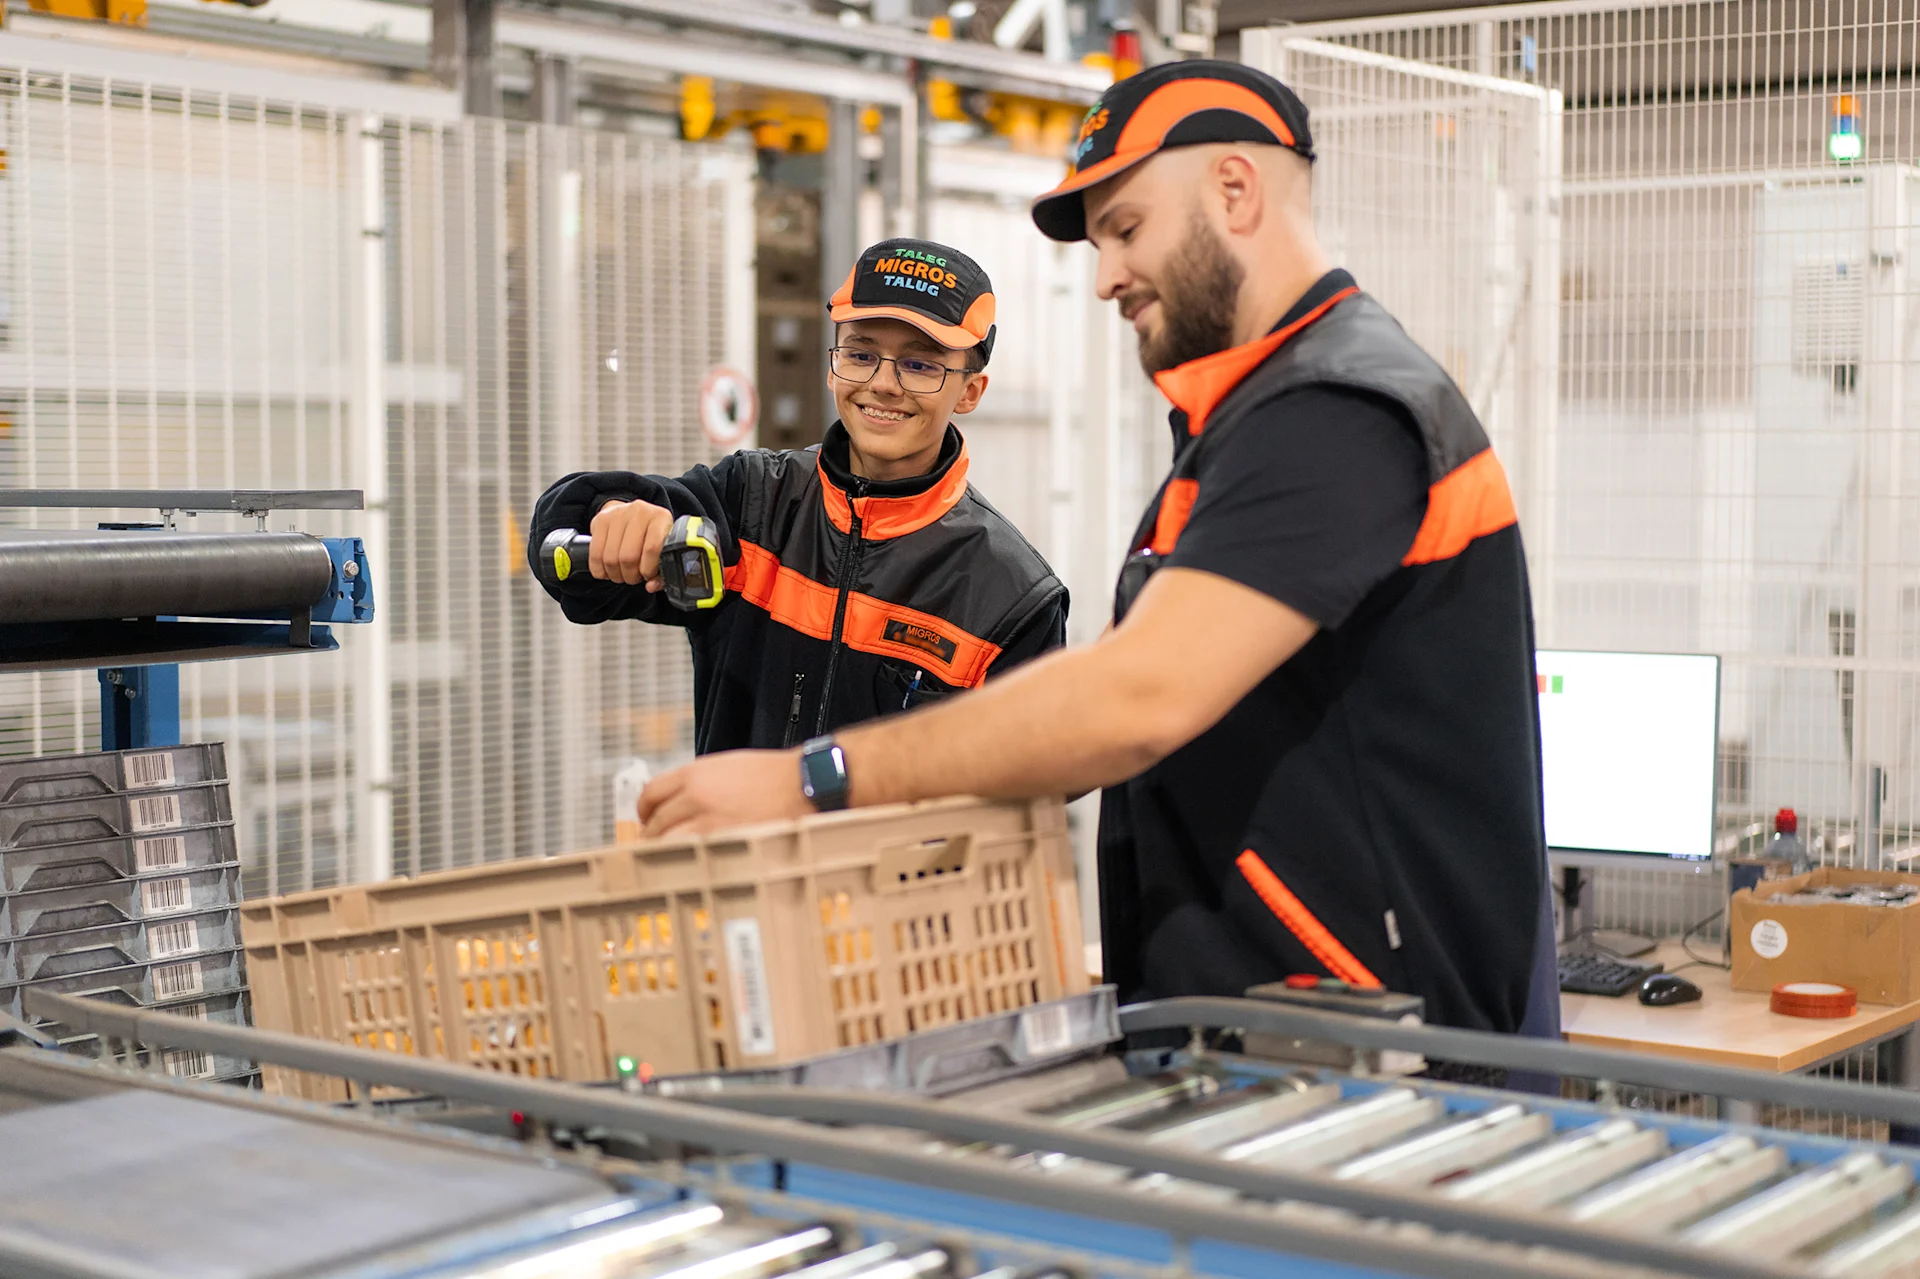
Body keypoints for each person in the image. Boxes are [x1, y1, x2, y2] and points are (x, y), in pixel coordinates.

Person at [631, 62, 1558, 1038]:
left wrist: (806, 782)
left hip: (1369, 1053)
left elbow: (1137, 694)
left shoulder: (1334, 412)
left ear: (1234, 190)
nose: (1108, 275)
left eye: (1125, 228)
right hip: (1283, 1037)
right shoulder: (1252, 418)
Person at [528, 238, 1068, 754]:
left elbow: (1024, 789)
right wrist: (613, 516)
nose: (883, 383)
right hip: (736, 851)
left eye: (920, 365)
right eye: (861, 355)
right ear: (833, 366)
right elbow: (567, 546)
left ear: (970, 390)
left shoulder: (1010, 597)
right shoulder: (752, 504)